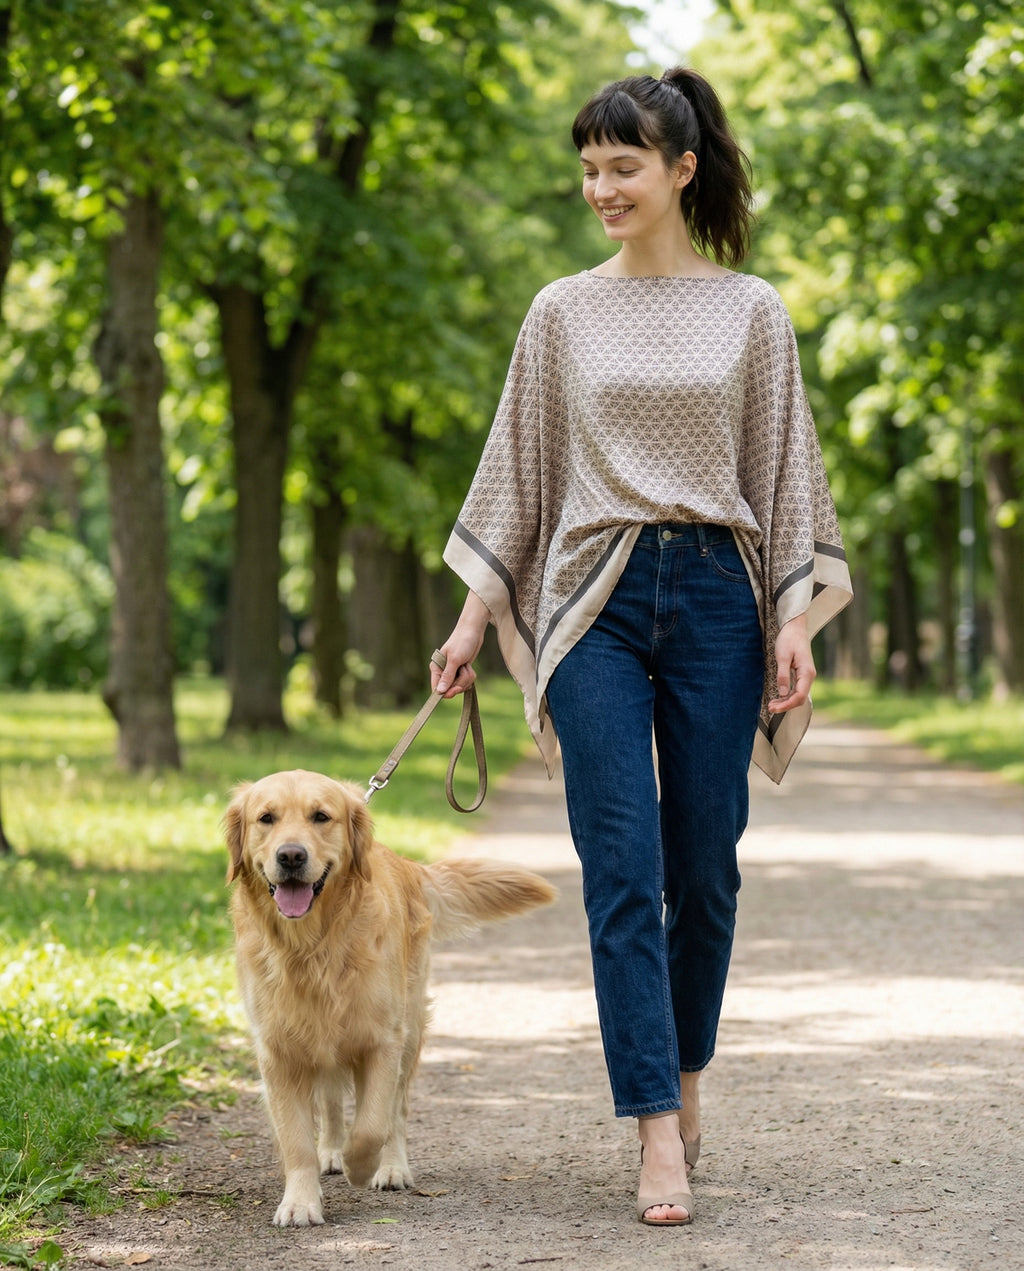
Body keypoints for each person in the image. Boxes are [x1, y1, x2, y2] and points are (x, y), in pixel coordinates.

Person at [431, 67, 853, 1227]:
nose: (599, 188)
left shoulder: (752, 310)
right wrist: (472, 620)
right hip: (592, 599)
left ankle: (687, 1068)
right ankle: (654, 1129)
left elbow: (781, 470)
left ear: (680, 169)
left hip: (719, 589)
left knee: (703, 873)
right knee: (621, 869)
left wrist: (788, 621)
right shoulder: (560, 310)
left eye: (622, 167)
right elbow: (517, 472)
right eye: (587, 169)